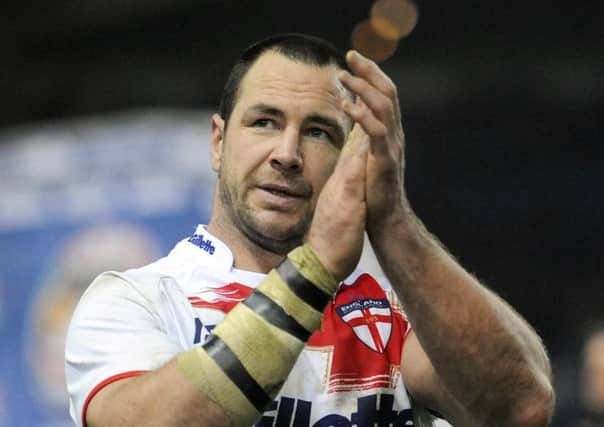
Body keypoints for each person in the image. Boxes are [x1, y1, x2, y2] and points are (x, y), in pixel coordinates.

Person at [65, 33, 554, 427]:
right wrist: (314, 270)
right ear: (218, 142)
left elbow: (520, 408)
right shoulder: (136, 300)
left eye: (318, 132)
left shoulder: (395, 310)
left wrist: (393, 220)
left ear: (349, 159)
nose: (287, 154)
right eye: (264, 122)